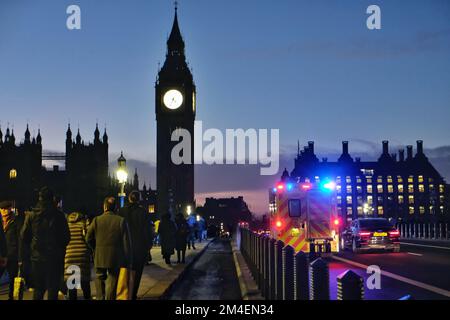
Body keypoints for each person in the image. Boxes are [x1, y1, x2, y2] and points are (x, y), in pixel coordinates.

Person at [21, 187, 70, 300]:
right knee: (53, 289)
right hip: (54, 258)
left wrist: (32, 247)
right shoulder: (59, 215)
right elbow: (66, 237)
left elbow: (24, 236)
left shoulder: (31, 215)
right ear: (52, 198)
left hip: (37, 258)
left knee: (38, 289)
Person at [86, 197, 131, 300]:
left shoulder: (96, 220)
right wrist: (128, 260)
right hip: (115, 257)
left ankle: (100, 297)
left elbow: (88, 238)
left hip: (99, 255)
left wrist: (95, 248)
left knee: (99, 277)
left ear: (104, 207)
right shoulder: (121, 221)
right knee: (112, 280)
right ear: (115, 208)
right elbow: (126, 243)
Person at [118, 191, 153, 300]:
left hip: (124, 246)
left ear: (129, 199)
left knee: (124, 271)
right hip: (139, 247)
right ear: (138, 199)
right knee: (137, 273)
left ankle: (123, 293)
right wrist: (148, 246)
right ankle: (133, 294)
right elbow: (148, 231)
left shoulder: (121, 211)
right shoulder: (143, 212)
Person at [64, 211, 92, 300]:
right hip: (82, 256)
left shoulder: (66, 227)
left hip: (69, 256)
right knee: (85, 283)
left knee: (72, 285)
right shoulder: (83, 225)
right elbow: (88, 239)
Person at [0, 201, 22, 300]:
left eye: (6, 208)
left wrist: (20, 257)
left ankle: (11, 297)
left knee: (13, 279)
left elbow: (19, 239)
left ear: (10, 209)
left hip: (12, 254)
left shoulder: (15, 221)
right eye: (2, 209)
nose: (4, 211)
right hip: (1, 255)